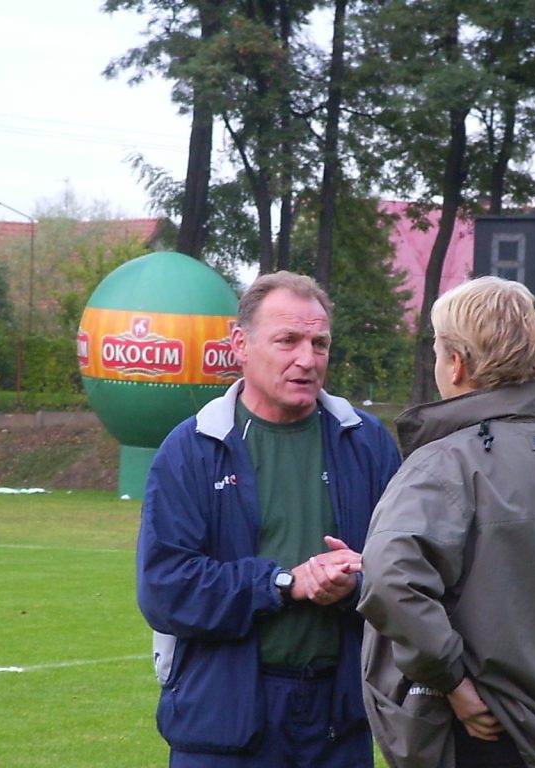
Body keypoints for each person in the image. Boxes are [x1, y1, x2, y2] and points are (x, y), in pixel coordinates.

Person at [359, 276, 535, 768]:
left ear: (456, 363)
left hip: (486, 734)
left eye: (437, 351)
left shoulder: (441, 465)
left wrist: (452, 683)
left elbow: (390, 578)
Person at [136, 270, 403, 767]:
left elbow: (407, 574)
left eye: (319, 343)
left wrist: (356, 582)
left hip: (337, 722)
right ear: (240, 344)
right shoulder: (193, 449)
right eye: (288, 341)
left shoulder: (366, 443)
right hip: (220, 722)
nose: (307, 359)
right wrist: (283, 583)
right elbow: (166, 588)